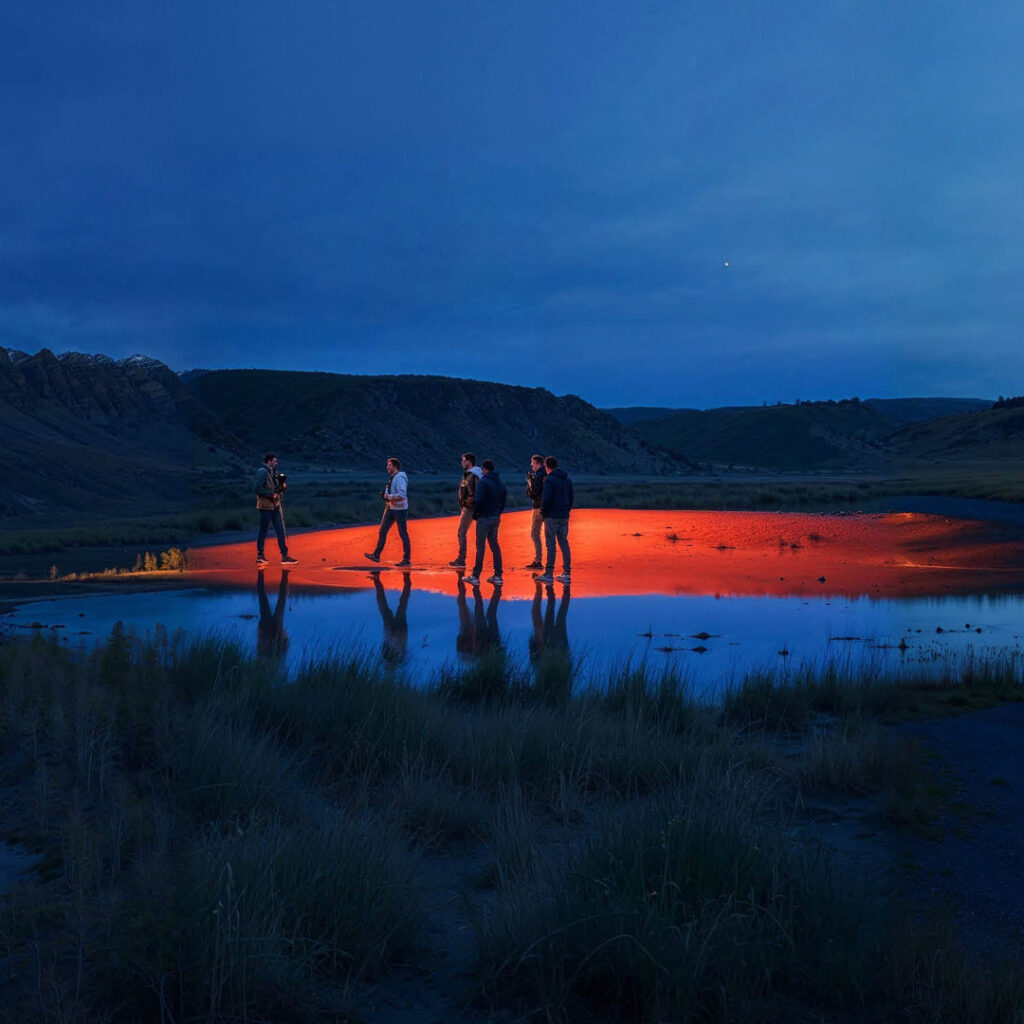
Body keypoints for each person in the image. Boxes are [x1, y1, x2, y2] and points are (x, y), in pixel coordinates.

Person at [463, 459, 506, 586]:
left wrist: (476, 513)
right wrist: (498, 512)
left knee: (480, 546)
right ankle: (498, 575)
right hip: (495, 516)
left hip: (484, 517)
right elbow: (503, 500)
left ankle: (475, 576)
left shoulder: (484, 482)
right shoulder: (500, 483)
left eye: (483, 470)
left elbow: (479, 499)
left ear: (485, 469)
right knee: (494, 545)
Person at [365, 457, 411, 566]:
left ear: (394, 466)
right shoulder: (392, 478)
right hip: (390, 508)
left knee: (403, 534)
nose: (387, 467)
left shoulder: (399, 478)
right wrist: (385, 496)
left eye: (389, 465)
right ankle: (376, 555)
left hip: (399, 510)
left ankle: (406, 559)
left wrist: (388, 496)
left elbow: (402, 495)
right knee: (382, 531)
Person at [255, 453, 298, 568]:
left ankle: (284, 556)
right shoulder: (262, 472)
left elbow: (278, 489)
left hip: (275, 507)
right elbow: (257, 488)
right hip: (265, 507)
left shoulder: (273, 472)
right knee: (263, 531)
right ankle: (260, 555)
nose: (276, 463)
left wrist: (282, 485)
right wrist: (271, 495)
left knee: (280, 531)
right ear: (269, 461)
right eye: (274, 461)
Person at [535, 455, 573, 584]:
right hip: (564, 516)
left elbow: (546, 499)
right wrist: (567, 510)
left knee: (551, 544)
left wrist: (544, 514)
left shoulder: (550, 480)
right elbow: (571, 497)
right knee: (564, 543)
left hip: (552, 516)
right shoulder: (567, 479)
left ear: (547, 466)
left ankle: (549, 573)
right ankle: (567, 572)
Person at [450, 452, 483, 568]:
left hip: (470, 508)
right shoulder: (473, 474)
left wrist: (470, 503)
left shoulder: (473, 475)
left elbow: (477, 492)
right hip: (469, 507)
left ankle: (461, 559)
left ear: (470, 462)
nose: (462, 463)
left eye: (464, 461)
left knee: (461, 532)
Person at [256, 567, 290, 659]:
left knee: (264, 599)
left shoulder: (262, 657)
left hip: (267, 629)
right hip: (276, 630)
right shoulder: (278, 658)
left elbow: (260, 643)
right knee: (278, 600)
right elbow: (285, 644)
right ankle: (284, 574)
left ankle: (261, 573)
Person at [524, 454, 547, 570]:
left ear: (538, 464)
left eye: (533, 463)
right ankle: (543, 561)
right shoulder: (545, 474)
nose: (531, 465)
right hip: (546, 507)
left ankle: (538, 560)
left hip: (539, 507)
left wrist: (529, 482)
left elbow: (533, 492)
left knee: (534, 533)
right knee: (549, 535)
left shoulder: (539, 475)